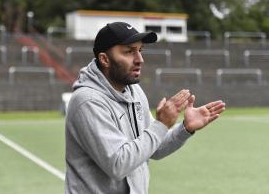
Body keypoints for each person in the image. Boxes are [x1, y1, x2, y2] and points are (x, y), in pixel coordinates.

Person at [65, 22, 226, 194]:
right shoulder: (87, 101)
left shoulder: (134, 90)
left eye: (140, 50)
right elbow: (118, 165)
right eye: (129, 51)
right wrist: (162, 124)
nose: (139, 59)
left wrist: (184, 129)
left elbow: (153, 148)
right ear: (104, 59)